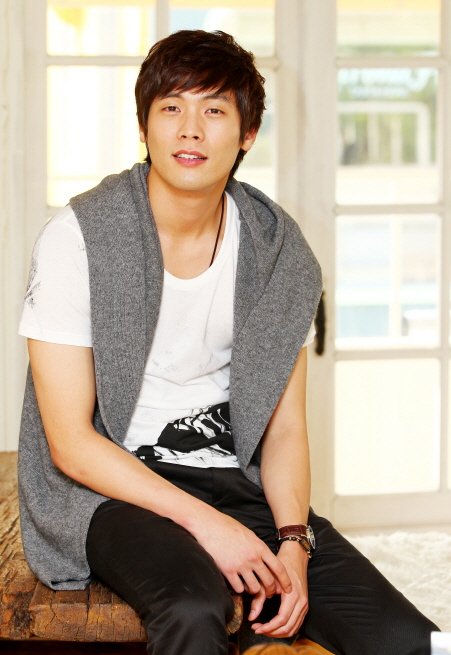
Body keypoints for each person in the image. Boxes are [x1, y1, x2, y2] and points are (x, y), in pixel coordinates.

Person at [18, 29, 438, 655]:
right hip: (112, 487)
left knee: (407, 640)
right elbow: (71, 443)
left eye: (214, 110)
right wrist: (208, 526)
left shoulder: (278, 252)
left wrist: (293, 542)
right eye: (171, 108)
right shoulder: (80, 236)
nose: (190, 130)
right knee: (192, 607)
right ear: (144, 126)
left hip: (233, 476)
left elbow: (284, 429)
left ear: (247, 134)